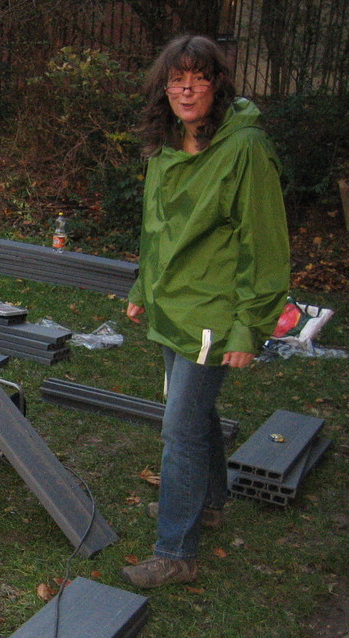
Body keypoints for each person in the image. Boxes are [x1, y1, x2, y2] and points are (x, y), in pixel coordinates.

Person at [121, 35, 290, 588]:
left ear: (218, 84)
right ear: (163, 88)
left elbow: (263, 244)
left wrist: (249, 326)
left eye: (198, 77)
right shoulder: (169, 144)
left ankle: (176, 551)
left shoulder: (244, 149)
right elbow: (155, 227)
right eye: (176, 79)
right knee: (194, 416)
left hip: (214, 310)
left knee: (181, 430)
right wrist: (143, 286)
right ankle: (208, 503)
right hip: (174, 303)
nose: (186, 89)